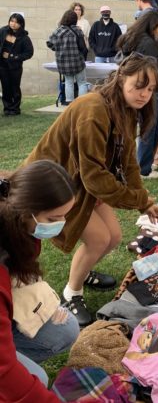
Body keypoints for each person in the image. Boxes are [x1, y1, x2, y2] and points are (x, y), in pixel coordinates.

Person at [24, 56, 158, 326]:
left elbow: (129, 163)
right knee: (99, 239)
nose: (144, 94)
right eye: (139, 86)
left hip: (79, 183)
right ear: (121, 79)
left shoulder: (124, 108)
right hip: (55, 184)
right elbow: (95, 178)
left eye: (150, 89)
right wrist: (138, 199)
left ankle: (84, 269)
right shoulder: (94, 109)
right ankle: (71, 292)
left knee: (114, 236)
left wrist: (144, 201)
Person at [0, 160, 79, 401]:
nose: (60, 225)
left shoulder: (14, 216)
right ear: (26, 211)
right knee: (36, 379)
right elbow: (4, 372)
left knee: (66, 328)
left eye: (64, 216)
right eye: (53, 218)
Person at [117, 12, 158, 179]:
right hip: (147, 89)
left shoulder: (134, 37)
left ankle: (145, 163)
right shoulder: (147, 42)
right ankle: (143, 169)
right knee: (150, 128)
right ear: (152, 26)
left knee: (150, 127)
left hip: (140, 87)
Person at [47, 10, 88, 105]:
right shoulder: (78, 30)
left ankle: (69, 103)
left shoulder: (58, 30)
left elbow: (49, 43)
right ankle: (82, 104)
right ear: (75, 19)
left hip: (63, 62)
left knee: (68, 82)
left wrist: (57, 49)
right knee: (82, 82)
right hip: (77, 62)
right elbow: (83, 47)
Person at [0, 13, 34, 116]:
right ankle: (7, 109)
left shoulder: (24, 37)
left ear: (21, 24)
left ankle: (15, 109)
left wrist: (14, 57)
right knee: (5, 87)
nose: (13, 24)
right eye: (11, 21)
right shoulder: (3, 31)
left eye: (16, 22)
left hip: (15, 66)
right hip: (2, 65)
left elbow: (29, 53)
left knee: (15, 87)